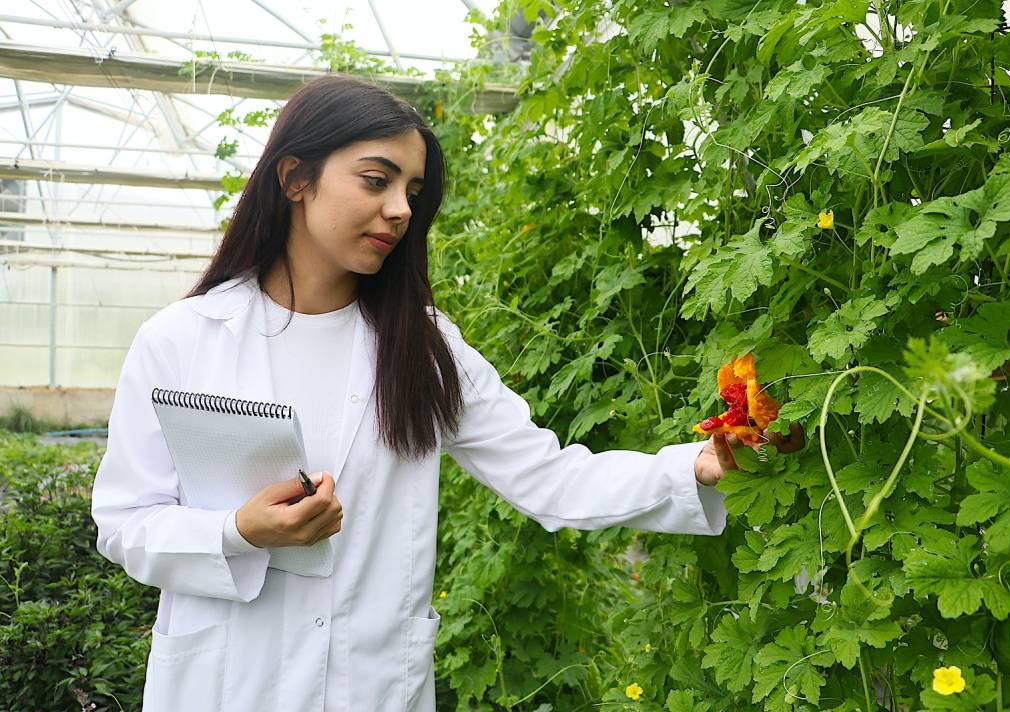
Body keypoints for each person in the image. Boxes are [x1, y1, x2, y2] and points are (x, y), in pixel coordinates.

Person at [91, 75, 792, 711]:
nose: (399, 209)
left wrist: (694, 467)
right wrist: (236, 532)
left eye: (413, 192)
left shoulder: (422, 347)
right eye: (376, 180)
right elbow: (125, 521)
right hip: (225, 685)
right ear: (294, 178)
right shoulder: (184, 339)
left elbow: (548, 476)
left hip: (371, 687)